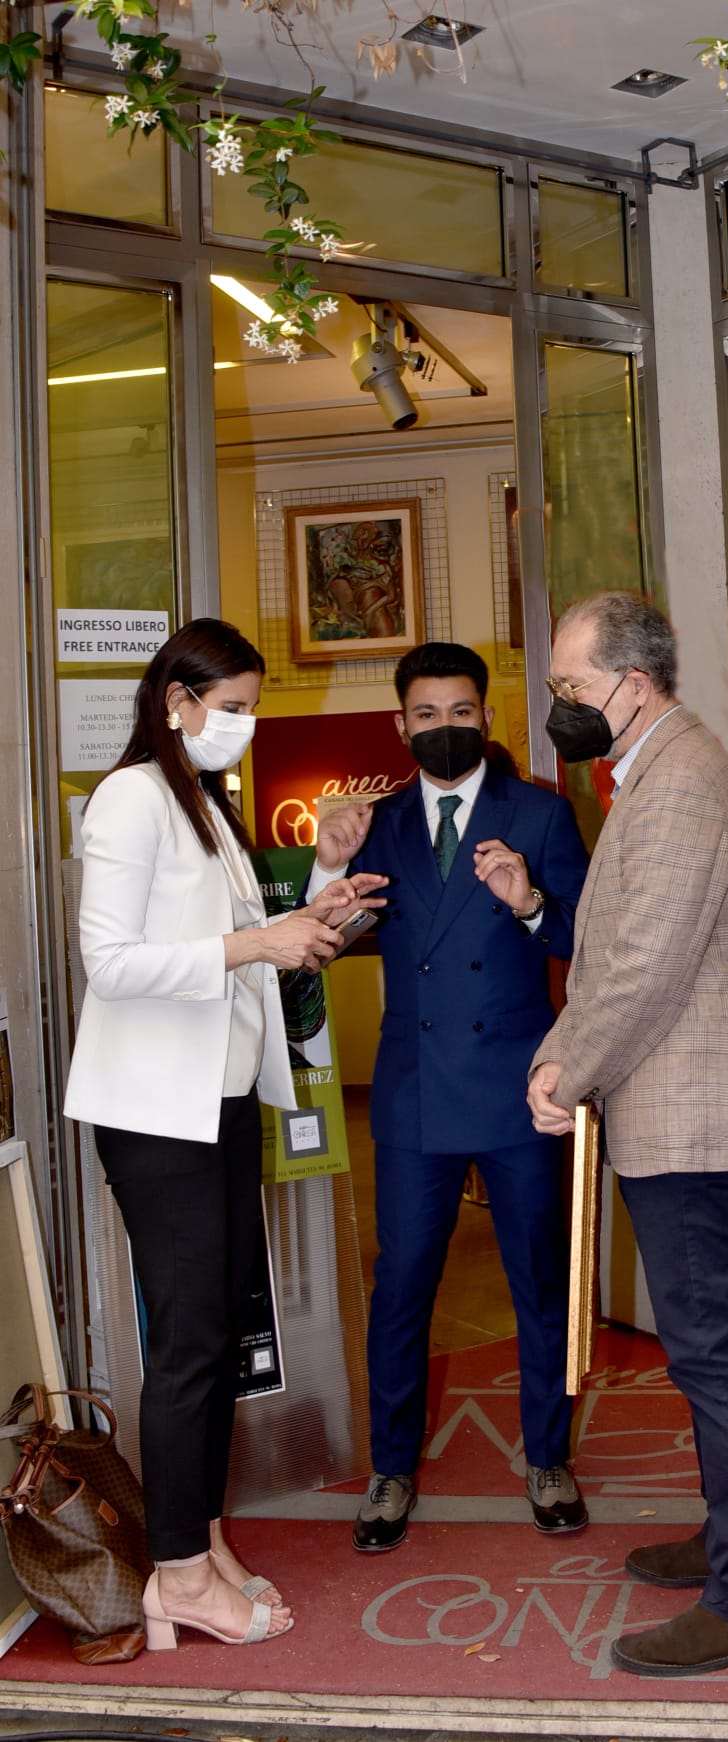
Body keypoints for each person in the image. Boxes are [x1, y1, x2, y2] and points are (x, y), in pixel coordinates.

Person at [64, 618, 385, 1651]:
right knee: (190, 1344)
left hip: (220, 1099)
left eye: (252, 707)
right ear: (177, 702)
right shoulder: (130, 797)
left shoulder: (203, 799)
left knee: (218, 1335)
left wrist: (311, 919)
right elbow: (111, 963)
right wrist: (255, 941)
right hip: (157, 1111)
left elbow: (230, 945)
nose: (244, 724)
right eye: (232, 706)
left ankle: (202, 1540)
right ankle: (178, 1576)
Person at [526, 592, 728, 1678]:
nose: (559, 703)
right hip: (671, 1109)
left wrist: (564, 1066)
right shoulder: (654, 764)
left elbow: (641, 964)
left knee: (712, 1357)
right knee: (705, 1355)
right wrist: (571, 1054)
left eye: (572, 686)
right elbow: (617, 953)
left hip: (690, 1118)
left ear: (633, 684)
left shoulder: (681, 776)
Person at [305, 641, 590, 1552]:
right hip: (415, 1092)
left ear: (485, 717)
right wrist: (325, 869)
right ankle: (391, 1470)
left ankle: (547, 1458)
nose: (443, 728)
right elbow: (320, 945)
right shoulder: (375, 826)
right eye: (425, 715)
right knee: (400, 1289)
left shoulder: (538, 814)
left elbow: (584, 938)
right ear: (401, 726)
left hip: (517, 1086)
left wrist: (528, 901)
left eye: (459, 712)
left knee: (538, 1282)